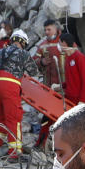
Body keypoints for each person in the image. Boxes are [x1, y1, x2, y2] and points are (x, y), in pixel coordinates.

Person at [0, 29, 31, 159]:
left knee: (1, 113)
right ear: (23, 43)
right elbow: (33, 71)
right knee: (14, 117)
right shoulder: (23, 54)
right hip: (9, 84)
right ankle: (15, 151)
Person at [33, 19, 65, 147]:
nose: (46, 32)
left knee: (61, 116)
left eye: (49, 29)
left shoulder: (64, 42)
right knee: (47, 117)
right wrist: (41, 62)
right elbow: (34, 59)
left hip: (63, 87)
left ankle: (60, 144)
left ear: (56, 29)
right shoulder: (42, 45)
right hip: (48, 87)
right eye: (45, 30)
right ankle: (42, 143)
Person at [60, 33, 85, 105]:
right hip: (68, 97)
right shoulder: (67, 59)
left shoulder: (80, 57)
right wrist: (61, 85)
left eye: (60, 43)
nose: (59, 46)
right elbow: (71, 79)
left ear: (64, 44)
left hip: (77, 100)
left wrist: (83, 100)